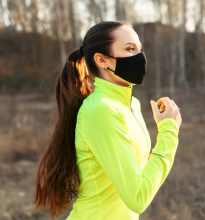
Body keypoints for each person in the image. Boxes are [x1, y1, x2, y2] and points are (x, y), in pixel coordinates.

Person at [33, 21, 182, 220]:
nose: (140, 56)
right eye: (130, 49)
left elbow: (137, 179)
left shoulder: (132, 105)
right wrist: (168, 133)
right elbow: (137, 197)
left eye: (140, 48)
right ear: (102, 60)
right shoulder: (101, 110)